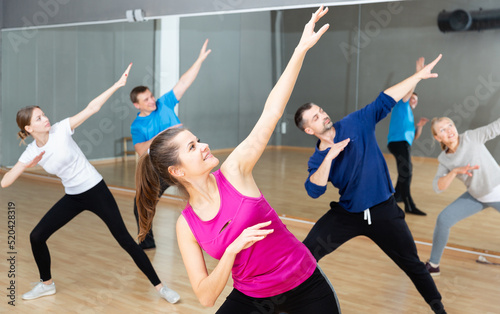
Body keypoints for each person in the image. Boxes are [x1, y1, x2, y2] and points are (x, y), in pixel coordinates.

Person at [135, 7, 341, 313]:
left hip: (304, 286)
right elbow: (205, 296)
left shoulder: (234, 171)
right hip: (252, 296)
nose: (204, 146)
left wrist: (299, 50)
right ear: (177, 170)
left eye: (198, 140)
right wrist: (231, 251)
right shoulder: (187, 226)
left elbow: (271, 112)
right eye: (192, 147)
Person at [0, 64, 180, 303]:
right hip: (73, 196)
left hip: (96, 190)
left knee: (125, 240)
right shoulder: (32, 151)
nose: (46, 119)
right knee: (37, 236)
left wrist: (117, 85)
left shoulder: (60, 130)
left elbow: (92, 108)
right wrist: (26, 165)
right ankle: (47, 284)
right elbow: (5, 182)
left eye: (44, 114)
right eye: (39, 118)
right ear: (29, 128)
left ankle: (160, 287)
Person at [294, 55, 447, 313]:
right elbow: (313, 189)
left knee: (412, 264)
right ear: (309, 130)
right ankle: (287, 302)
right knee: (305, 255)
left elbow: (384, 99)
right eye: (316, 118)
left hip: (384, 211)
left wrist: (417, 77)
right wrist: (330, 156)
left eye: (321, 111)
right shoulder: (318, 159)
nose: (323, 116)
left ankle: (439, 308)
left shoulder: (356, 122)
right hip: (348, 214)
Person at [130, 39, 211, 249]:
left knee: (205, 193)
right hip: (162, 167)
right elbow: (140, 151)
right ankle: (146, 244)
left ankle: (213, 232)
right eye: (146, 100)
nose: (152, 100)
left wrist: (199, 60)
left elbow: (184, 82)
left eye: (151, 96)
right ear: (136, 105)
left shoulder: (164, 103)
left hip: (187, 158)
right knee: (140, 205)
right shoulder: (137, 126)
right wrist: (163, 133)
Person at [426, 116, 500, 276]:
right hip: (476, 196)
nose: (449, 130)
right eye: (442, 129)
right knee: (443, 219)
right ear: (437, 137)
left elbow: (496, 127)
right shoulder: (444, 159)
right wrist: (453, 172)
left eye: (450, 125)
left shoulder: (471, 137)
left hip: (497, 191)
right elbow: (438, 187)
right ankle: (433, 265)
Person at [387, 57, 429, 215]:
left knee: (405, 171)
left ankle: (397, 196)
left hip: (403, 143)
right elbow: (407, 93)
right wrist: (417, 74)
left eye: (416, 100)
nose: (413, 100)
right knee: (407, 171)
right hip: (397, 143)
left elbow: (415, 137)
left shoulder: (410, 115)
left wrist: (419, 127)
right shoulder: (401, 104)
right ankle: (409, 204)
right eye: (412, 97)